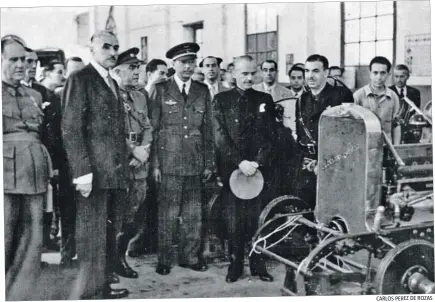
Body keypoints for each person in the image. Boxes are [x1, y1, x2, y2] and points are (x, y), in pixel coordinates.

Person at [62, 30, 129, 299]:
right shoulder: (80, 78)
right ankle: (90, 291)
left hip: (113, 173)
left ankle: (102, 287)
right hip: (94, 174)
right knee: (91, 236)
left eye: (116, 47)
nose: (113, 52)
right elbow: (71, 129)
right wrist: (82, 173)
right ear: (92, 49)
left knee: (106, 234)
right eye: (106, 47)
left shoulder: (110, 81)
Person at [149, 42, 213, 276]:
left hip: (195, 161)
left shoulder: (202, 90)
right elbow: (153, 129)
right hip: (168, 162)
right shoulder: (161, 89)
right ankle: (164, 259)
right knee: (167, 214)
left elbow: (208, 130)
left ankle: (191, 257)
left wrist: (209, 163)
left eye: (192, 62)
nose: (188, 66)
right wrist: (155, 164)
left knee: (193, 214)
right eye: (183, 62)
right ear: (173, 64)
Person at [213, 55, 277, 283]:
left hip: (259, 173)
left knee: (259, 219)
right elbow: (220, 137)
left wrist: (258, 162)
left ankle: (258, 264)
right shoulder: (221, 100)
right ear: (233, 75)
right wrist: (240, 162)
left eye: (252, 73)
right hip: (233, 172)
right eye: (244, 74)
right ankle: (235, 265)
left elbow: (272, 136)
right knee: (234, 221)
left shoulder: (265, 99)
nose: (249, 77)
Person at [2, 37, 52, 300]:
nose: (21, 65)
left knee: (33, 238)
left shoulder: (34, 95)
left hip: (34, 172)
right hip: (5, 176)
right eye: (13, 59)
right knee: (5, 236)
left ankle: (22, 294)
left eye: (23, 59)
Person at [111, 47, 154, 277]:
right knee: (117, 216)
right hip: (120, 164)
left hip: (140, 164)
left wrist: (144, 151)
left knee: (134, 216)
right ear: (117, 71)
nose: (137, 72)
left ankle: (120, 256)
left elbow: (147, 126)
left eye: (138, 67)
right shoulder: (110, 94)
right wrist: (133, 153)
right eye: (132, 67)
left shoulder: (140, 95)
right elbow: (110, 132)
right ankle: (113, 261)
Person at [295, 54, 353, 209]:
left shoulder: (341, 96)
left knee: (329, 207)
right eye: (307, 71)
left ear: (326, 73)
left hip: (332, 162)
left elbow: (346, 137)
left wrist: (326, 162)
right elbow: (301, 135)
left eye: (315, 71)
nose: (310, 76)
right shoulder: (301, 99)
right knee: (305, 205)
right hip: (308, 163)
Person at [41, 60, 79, 268]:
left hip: (87, 164)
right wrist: (55, 164)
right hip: (66, 164)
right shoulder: (58, 97)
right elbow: (52, 133)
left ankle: (82, 253)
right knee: (67, 210)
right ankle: (67, 254)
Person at [353, 56, 401, 144]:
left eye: (383, 73)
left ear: (388, 74)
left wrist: (396, 147)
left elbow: (396, 125)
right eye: (375, 73)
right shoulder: (358, 96)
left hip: (386, 147)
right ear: (370, 73)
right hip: (364, 147)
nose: (379, 77)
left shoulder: (393, 97)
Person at [253, 59, 296, 135]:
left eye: (271, 70)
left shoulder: (287, 93)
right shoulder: (253, 90)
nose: (268, 73)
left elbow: (290, 117)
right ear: (261, 72)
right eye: (265, 70)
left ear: (276, 72)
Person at [389, 64, 422, 144]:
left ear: (408, 76)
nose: (399, 80)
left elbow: (415, 112)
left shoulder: (415, 92)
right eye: (396, 76)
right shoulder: (388, 92)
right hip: (392, 131)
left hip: (409, 132)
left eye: (402, 76)